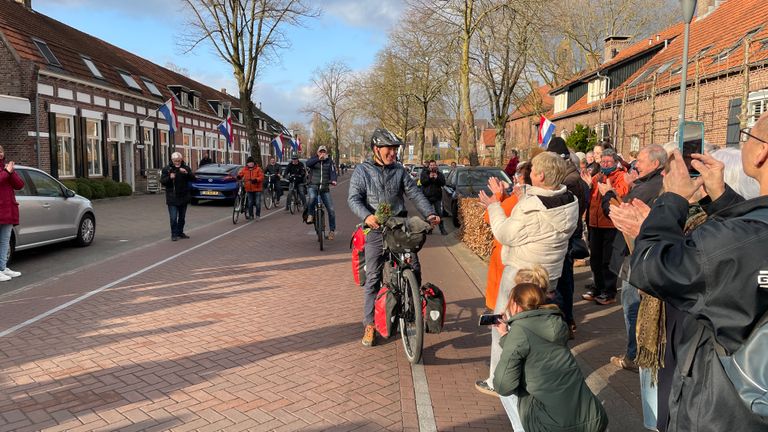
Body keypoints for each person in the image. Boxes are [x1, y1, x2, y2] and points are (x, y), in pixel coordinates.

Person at [625, 114, 768, 431]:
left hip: (724, 411)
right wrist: (722, 198)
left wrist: (672, 200)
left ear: (761, 153)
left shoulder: (739, 241)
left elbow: (649, 266)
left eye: (747, 135)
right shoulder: (745, 237)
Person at [476, 152, 579, 396]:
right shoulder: (570, 200)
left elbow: (504, 233)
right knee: (537, 326)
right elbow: (545, 215)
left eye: (532, 171)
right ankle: (535, 373)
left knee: (503, 322)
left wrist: (494, 207)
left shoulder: (529, 208)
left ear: (540, 175)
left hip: (521, 275)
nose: (529, 175)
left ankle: (498, 378)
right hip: (549, 276)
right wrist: (525, 194)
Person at [348, 128, 440, 347]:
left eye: (395, 149)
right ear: (376, 149)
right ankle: (370, 325)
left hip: (399, 226)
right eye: (389, 149)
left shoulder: (399, 171)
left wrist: (429, 213)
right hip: (376, 229)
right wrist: (367, 216)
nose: (393, 153)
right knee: (372, 278)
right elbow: (353, 199)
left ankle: (414, 309)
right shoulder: (362, 171)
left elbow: (415, 193)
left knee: (414, 268)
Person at [493, 282, 608, 432]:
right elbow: (535, 345)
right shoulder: (557, 321)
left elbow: (503, 386)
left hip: (550, 426)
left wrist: (509, 336)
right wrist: (505, 336)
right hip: (592, 418)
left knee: (504, 388)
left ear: (514, 305)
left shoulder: (519, 330)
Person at [546, 137, 588, 338]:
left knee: (562, 281)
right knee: (564, 280)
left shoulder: (568, 183)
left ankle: (565, 322)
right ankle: (567, 320)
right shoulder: (573, 177)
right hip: (569, 233)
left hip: (565, 236)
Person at [583, 148, 629, 305]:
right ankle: (598, 286)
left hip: (610, 224)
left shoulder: (621, 176)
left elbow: (622, 193)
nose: (605, 164)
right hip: (594, 223)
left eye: (608, 161)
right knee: (595, 258)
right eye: (603, 161)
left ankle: (609, 291)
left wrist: (610, 190)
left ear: (615, 162)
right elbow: (591, 196)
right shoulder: (597, 176)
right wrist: (588, 186)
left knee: (607, 260)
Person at [0, 146, 24, 281]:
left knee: (4, 242)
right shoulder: (4, 171)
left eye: (1, 151)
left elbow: (20, 185)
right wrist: (6, 172)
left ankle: (2, 268)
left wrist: (11, 172)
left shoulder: (6, 169)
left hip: (8, 211)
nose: (0, 154)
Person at [160, 152, 196, 241]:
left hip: (183, 196)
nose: (177, 162)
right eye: (175, 160)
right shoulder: (167, 169)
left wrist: (187, 173)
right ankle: (174, 234)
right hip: (172, 197)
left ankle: (180, 232)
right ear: (172, 160)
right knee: (173, 217)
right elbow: (162, 181)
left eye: (179, 160)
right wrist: (169, 177)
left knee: (182, 217)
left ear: (181, 159)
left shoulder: (185, 167)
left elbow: (193, 178)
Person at [306, 146, 338, 239]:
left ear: (326, 153)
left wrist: (333, 180)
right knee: (312, 198)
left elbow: (333, 172)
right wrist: (317, 159)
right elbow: (308, 164)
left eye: (324, 152)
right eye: (321, 151)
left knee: (331, 210)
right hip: (313, 186)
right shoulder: (314, 159)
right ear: (318, 152)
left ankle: (332, 231)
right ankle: (310, 215)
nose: (322, 153)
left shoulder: (329, 161)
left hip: (324, 188)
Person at [419, 160, 447, 235]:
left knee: (439, 214)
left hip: (437, 197)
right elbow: (422, 182)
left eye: (434, 165)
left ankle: (442, 230)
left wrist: (437, 178)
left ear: (436, 166)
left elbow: (443, 183)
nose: (432, 166)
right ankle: (429, 229)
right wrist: (429, 177)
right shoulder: (425, 173)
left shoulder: (439, 174)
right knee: (428, 214)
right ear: (429, 166)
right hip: (427, 197)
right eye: (431, 165)